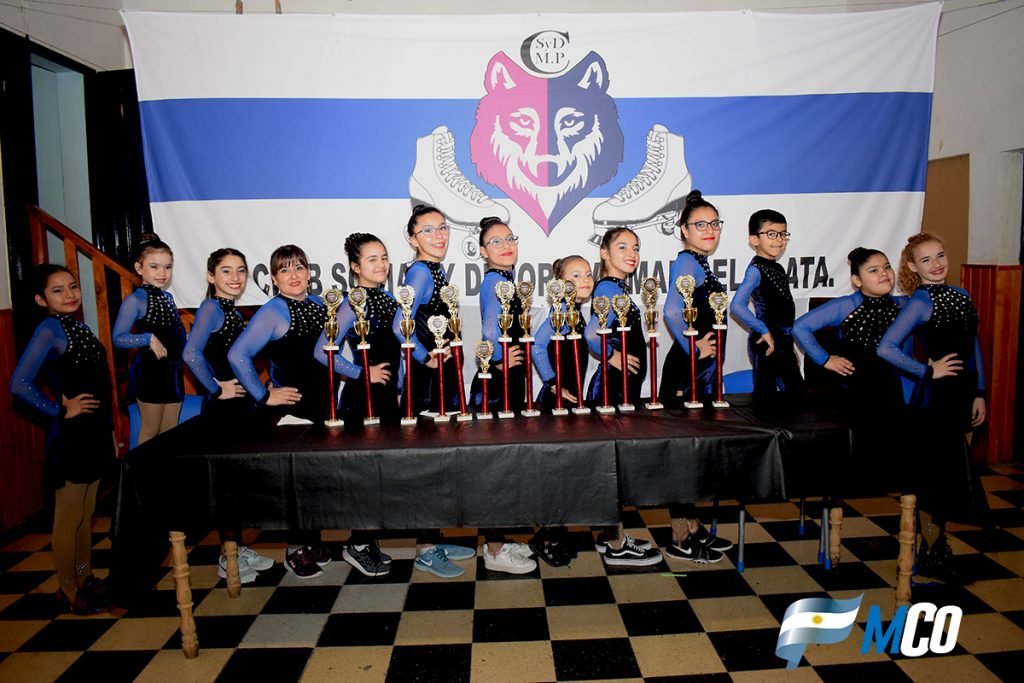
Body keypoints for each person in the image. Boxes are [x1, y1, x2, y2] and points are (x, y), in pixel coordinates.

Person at [878, 233, 989, 583]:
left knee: (953, 478)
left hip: (964, 396)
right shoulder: (920, 302)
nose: (936, 264)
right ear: (913, 267)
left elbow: (973, 346)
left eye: (940, 255)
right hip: (936, 400)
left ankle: (937, 550)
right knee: (934, 481)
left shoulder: (962, 295)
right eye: (926, 260)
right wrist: (926, 370)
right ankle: (932, 550)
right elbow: (886, 347)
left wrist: (980, 392)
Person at [10, 265, 116, 614]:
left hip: (95, 432)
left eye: (72, 286)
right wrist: (58, 408)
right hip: (71, 437)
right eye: (58, 290)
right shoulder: (48, 329)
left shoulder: (79, 327)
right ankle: (68, 589)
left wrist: (109, 430)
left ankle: (85, 577)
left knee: (87, 513)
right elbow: (19, 383)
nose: (69, 294)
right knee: (68, 517)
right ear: (41, 299)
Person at [227, 244, 332, 579]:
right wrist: (263, 395)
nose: (294, 275)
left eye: (299, 267)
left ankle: (312, 541)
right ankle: (294, 550)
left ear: (309, 271)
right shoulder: (273, 310)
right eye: (284, 270)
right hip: (292, 410)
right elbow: (237, 355)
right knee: (296, 482)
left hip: (322, 406)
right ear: (274, 278)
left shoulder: (319, 305)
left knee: (316, 479)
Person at [390, 205, 478, 578]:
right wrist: (425, 357)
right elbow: (400, 322)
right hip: (428, 382)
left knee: (439, 462)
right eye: (428, 230)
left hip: (439, 376)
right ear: (413, 239)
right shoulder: (421, 272)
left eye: (442, 227)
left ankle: (432, 540)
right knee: (427, 464)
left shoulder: (432, 269)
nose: (439, 235)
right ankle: (425, 551)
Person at [182, 248, 274, 583]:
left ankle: (237, 548)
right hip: (224, 409)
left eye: (240, 270)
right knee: (227, 485)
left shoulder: (230, 310)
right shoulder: (211, 307)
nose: (235, 278)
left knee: (238, 483)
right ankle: (227, 557)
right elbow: (191, 354)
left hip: (239, 407)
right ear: (211, 276)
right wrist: (215, 388)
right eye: (226, 271)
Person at [793, 247, 912, 496]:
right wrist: (825, 359)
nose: (884, 274)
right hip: (854, 396)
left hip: (891, 394)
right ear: (857, 281)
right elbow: (800, 327)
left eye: (887, 267)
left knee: (898, 469)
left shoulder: (904, 305)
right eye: (874, 270)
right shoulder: (845, 306)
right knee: (853, 472)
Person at [313, 233, 398, 578]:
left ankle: (367, 541)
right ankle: (356, 545)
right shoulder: (351, 303)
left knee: (381, 475)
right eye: (372, 259)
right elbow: (322, 351)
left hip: (386, 398)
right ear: (355, 266)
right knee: (365, 476)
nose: (381, 264)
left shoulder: (389, 297)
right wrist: (363, 373)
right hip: (362, 400)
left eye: (384, 257)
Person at [659, 190, 734, 564]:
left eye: (714, 223)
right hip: (687, 373)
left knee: (694, 452)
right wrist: (694, 348)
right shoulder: (687, 262)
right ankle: (678, 536)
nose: (709, 230)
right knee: (683, 455)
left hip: (699, 372)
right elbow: (673, 311)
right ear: (684, 231)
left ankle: (692, 525)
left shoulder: (698, 262)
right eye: (700, 224)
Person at [584, 227, 662, 567]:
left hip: (621, 387)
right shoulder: (607, 288)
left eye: (636, 247)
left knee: (612, 465)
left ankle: (610, 538)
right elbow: (592, 333)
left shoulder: (616, 288)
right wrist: (612, 356)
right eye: (622, 247)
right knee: (611, 467)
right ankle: (616, 546)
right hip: (612, 388)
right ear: (604, 252)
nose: (632, 254)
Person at [112, 233, 186, 445]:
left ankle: (164, 468)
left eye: (168, 267)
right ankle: (141, 468)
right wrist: (147, 338)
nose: (162, 273)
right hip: (151, 374)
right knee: (150, 430)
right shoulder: (135, 300)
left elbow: (176, 334)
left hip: (173, 373)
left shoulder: (168, 298)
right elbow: (118, 338)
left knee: (171, 431)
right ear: (139, 268)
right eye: (154, 267)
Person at [730, 208, 805, 408]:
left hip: (782, 339)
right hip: (766, 341)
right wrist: (764, 330)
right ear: (754, 239)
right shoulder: (756, 270)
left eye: (783, 234)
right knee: (766, 398)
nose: (779, 240)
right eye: (771, 234)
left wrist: (787, 342)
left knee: (797, 395)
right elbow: (736, 306)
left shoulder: (777, 267)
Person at [473, 217, 526, 416]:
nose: (506, 245)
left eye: (510, 239)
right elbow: (489, 331)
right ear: (483, 252)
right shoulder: (496, 281)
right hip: (498, 383)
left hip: (506, 375)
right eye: (496, 241)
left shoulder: (503, 280)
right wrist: (498, 361)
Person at [533, 254, 594, 413]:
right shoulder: (562, 312)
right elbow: (537, 345)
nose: (585, 280)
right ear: (561, 283)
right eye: (576, 275)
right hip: (558, 402)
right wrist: (554, 384)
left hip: (569, 397)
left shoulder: (573, 311)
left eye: (589, 274)